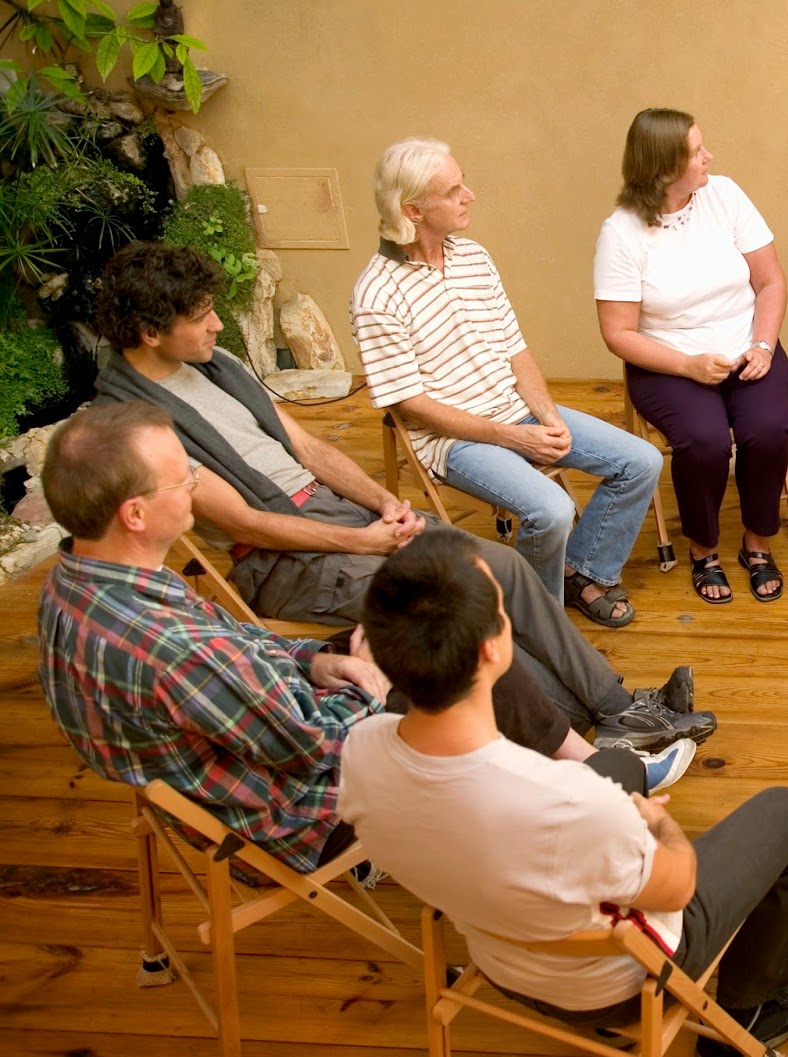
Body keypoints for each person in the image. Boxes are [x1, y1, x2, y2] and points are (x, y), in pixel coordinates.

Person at [94, 241, 710, 758]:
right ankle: (576, 736)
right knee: (455, 605)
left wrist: (384, 504)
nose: (217, 324)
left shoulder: (217, 364)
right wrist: (362, 541)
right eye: (201, 315)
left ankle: (618, 709)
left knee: (504, 566)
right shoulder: (135, 428)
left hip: (342, 515)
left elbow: (307, 447)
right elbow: (247, 521)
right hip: (283, 561)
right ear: (151, 332)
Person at [35, 404, 683, 882]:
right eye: (184, 481)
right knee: (448, 657)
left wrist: (318, 660)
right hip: (298, 808)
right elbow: (312, 744)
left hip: (239, 755)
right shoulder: (171, 645)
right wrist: (366, 683)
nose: (196, 490)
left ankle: (579, 765)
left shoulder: (78, 580)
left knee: (433, 639)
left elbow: (239, 652)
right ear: (135, 514)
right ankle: (582, 801)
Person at [340, 529, 788, 1057]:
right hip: (614, 987)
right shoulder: (569, 800)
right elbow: (676, 888)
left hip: (499, 962)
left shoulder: (358, 753)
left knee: (619, 765)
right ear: (493, 650)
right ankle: (750, 1010)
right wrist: (656, 825)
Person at [353, 136, 664, 626]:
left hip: (517, 414)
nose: (469, 195)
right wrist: (512, 437)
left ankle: (582, 572)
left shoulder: (473, 257)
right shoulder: (376, 293)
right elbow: (411, 405)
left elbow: (516, 351)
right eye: (453, 191)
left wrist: (548, 417)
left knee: (641, 461)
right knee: (552, 509)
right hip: (454, 441)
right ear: (413, 210)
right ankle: (540, 621)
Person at [595, 109, 788, 604]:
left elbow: (770, 281)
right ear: (663, 168)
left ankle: (757, 543)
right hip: (669, 361)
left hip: (748, 344)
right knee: (705, 442)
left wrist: (763, 345)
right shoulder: (621, 233)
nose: (709, 157)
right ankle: (704, 550)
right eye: (696, 152)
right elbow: (618, 333)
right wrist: (687, 365)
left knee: (767, 429)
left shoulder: (724, 195)